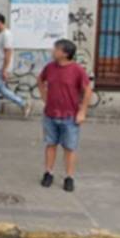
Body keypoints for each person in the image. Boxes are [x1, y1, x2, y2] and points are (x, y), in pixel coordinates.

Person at [38, 39, 92, 192]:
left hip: (70, 116)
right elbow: (40, 80)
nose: (53, 51)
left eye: (56, 49)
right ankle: (48, 173)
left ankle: (69, 177)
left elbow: (88, 90)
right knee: (50, 144)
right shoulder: (50, 67)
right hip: (50, 114)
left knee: (69, 148)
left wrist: (82, 111)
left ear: (65, 53)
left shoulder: (77, 70)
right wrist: (44, 97)